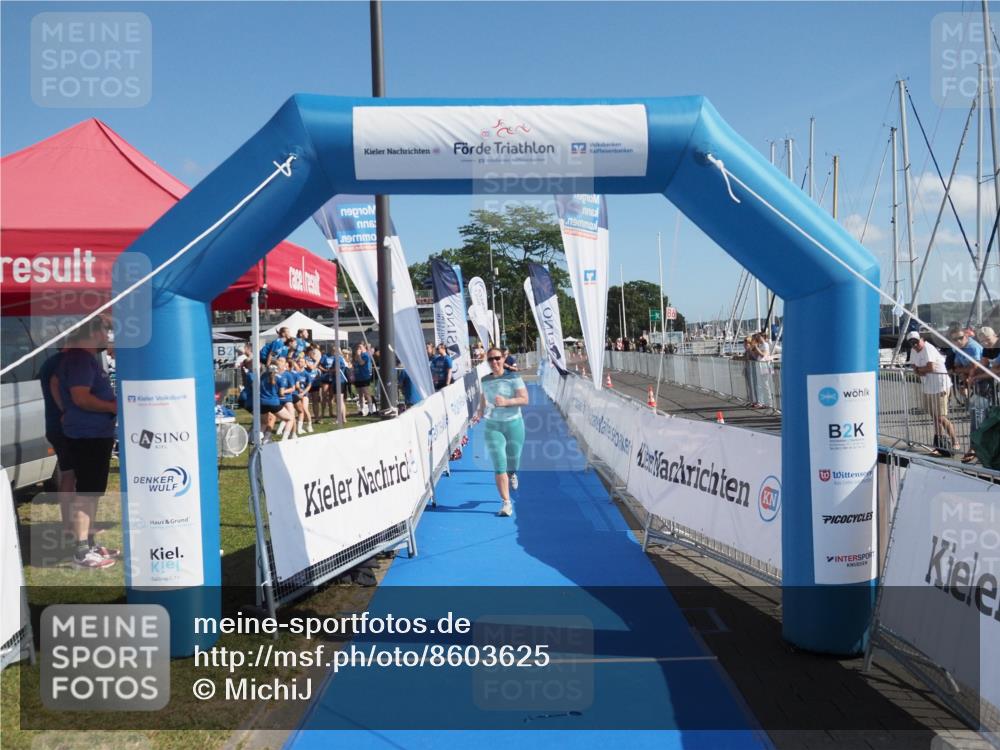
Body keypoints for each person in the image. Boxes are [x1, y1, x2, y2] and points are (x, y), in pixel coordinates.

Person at [53, 318, 119, 568]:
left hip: (91, 433)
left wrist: (64, 410)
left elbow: (57, 384)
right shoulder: (80, 358)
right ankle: (81, 551)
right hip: (87, 435)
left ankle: (89, 545)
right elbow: (80, 398)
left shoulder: (81, 359)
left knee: (92, 492)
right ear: (92, 332)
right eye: (104, 329)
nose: (107, 334)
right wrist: (112, 406)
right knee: (87, 493)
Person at [480, 347, 529, 517]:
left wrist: (507, 401)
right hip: (493, 425)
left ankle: (512, 473)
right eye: (490, 359)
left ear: (503, 358)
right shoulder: (485, 380)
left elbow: (525, 399)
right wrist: (479, 412)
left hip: (514, 424)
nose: (494, 362)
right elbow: (483, 397)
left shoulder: (513, 377)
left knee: (513, 460)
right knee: (499, 464)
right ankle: (506, 503)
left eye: (497, 358)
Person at [38, 347, 75, 537]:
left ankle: (70, 523)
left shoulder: (50, 361)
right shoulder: (63, 361)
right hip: (64, 427)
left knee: (67, 474)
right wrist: (65, 410)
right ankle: (72, 525)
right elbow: (55, 382)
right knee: (71, 475)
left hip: (56, 426)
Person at [907, 330, 957, 457]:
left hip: (940, 386)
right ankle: (939, 445)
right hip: (928, 387)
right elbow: (913, 366)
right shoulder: (913, 350)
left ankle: (955, 441)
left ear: (921, 339)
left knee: (940, 416)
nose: (914, 345)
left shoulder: (928, 348)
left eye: (916, 342)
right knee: (934, 417)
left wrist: (919, 370)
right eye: (911, 343)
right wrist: (919, 370)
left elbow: (931, 368)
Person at [352, 343, 374, 416]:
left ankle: (371, 410)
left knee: (366, 393)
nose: (359, 348)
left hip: (364, 377)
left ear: (364, 347)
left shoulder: (365, 355)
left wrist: (358, 355)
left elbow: (361, 363)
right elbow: (354, 365)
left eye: (360, 347)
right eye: (358, 347)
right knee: (360, 394)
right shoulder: (356, 355)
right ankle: (361, 410)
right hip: (358, 377)